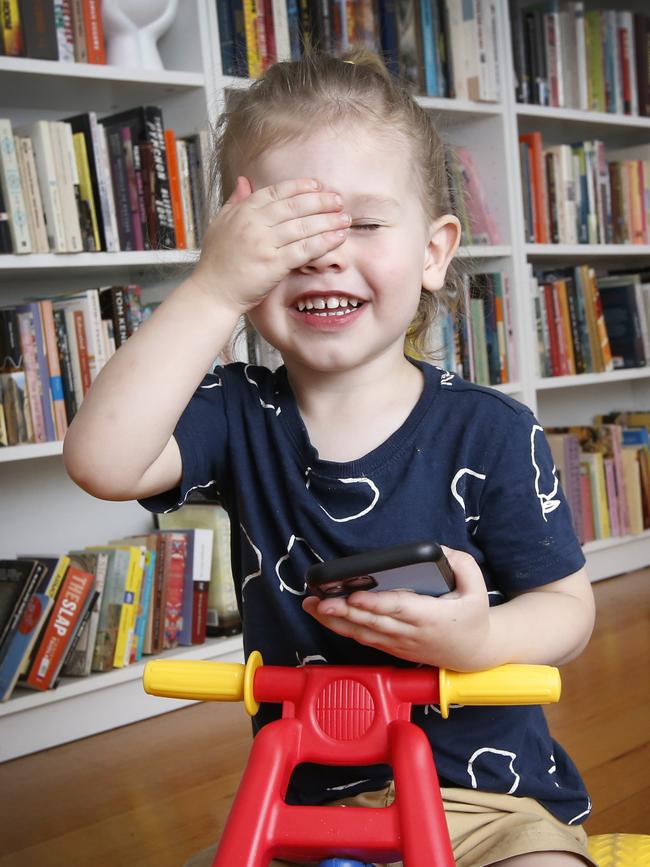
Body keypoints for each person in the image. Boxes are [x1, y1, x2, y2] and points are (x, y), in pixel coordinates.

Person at [63, 49, 596, 867]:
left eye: (363, 222)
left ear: (433, 250)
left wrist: (477, 638)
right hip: (300, 805)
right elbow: (102, 460)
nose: (321, 254)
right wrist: (212, 289)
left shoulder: (492, 431)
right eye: (285, 230)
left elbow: (568, 607)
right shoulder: (233, 412)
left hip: (484, 804)